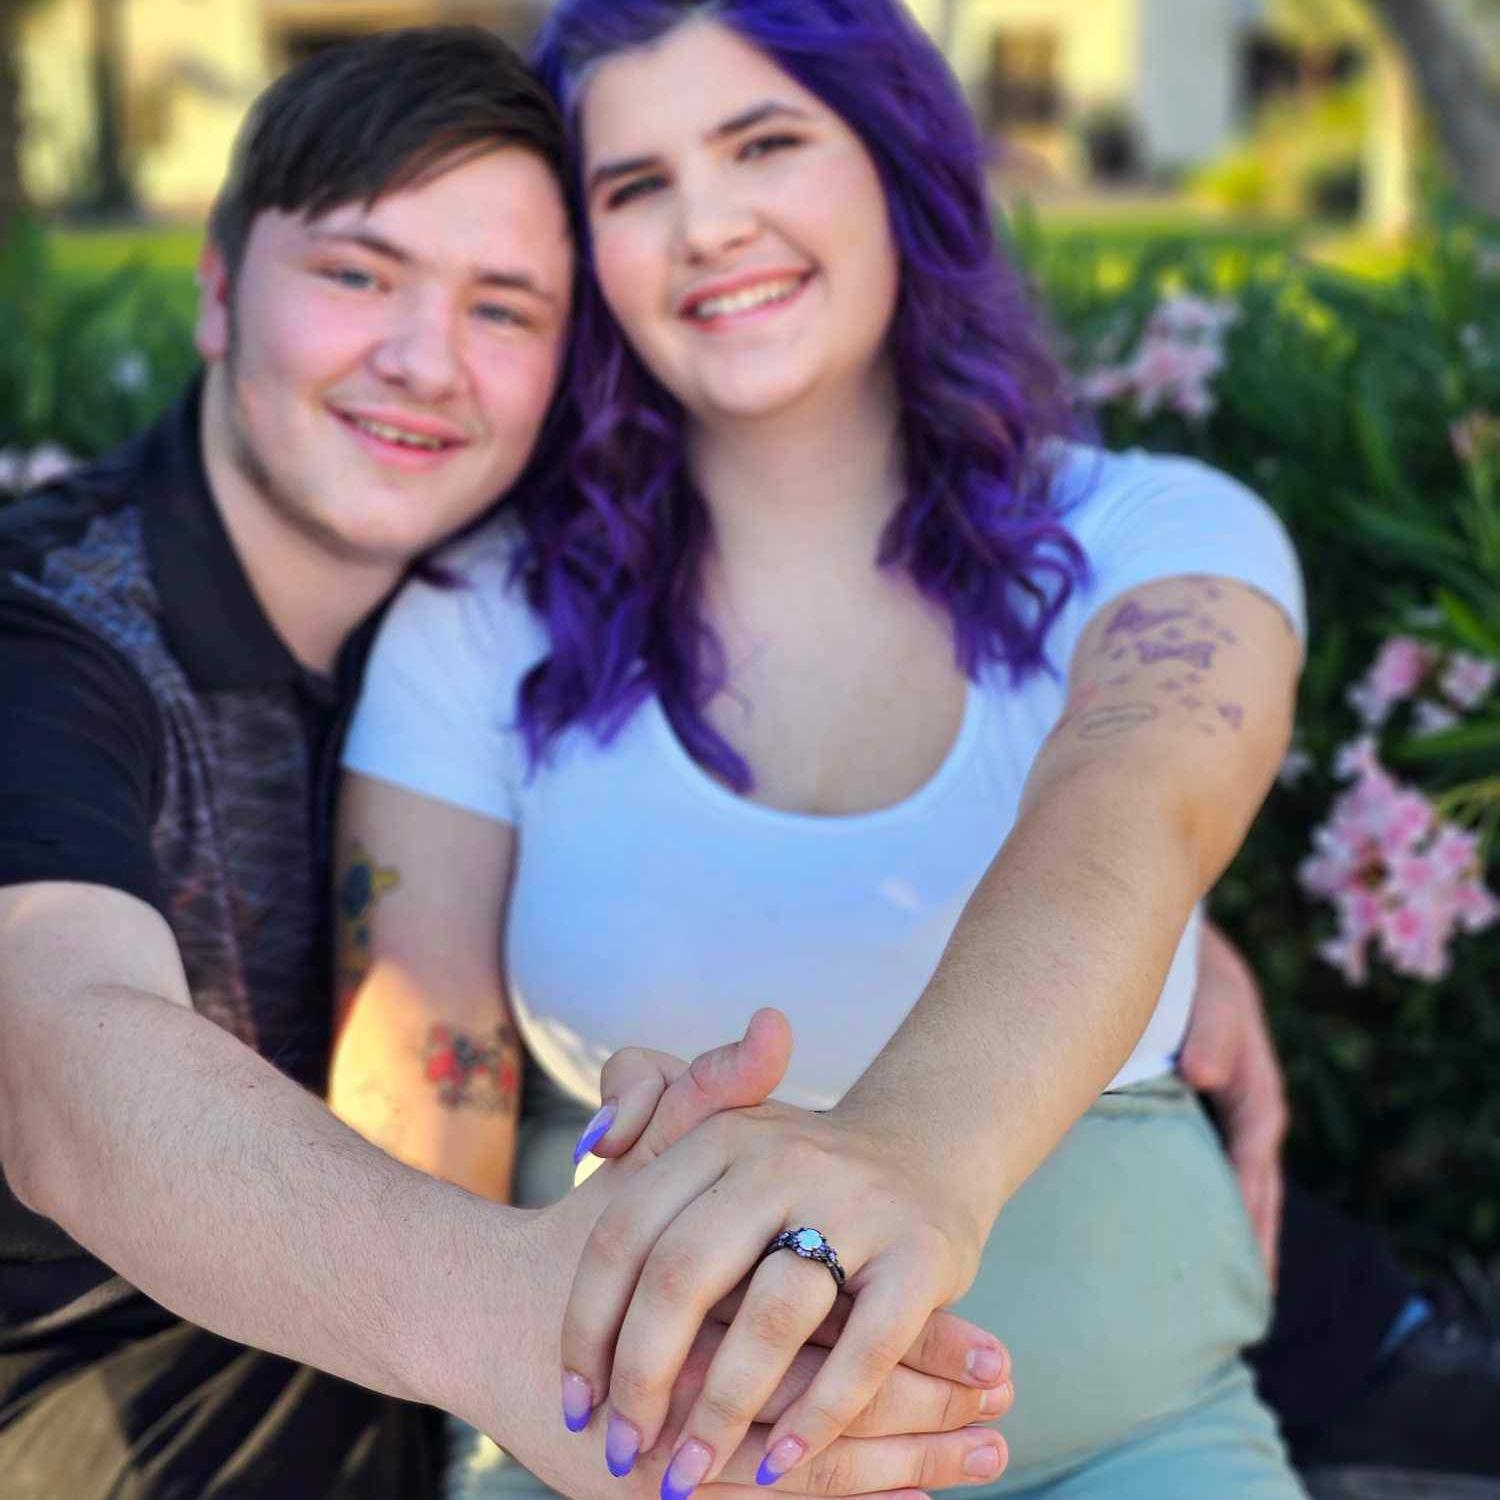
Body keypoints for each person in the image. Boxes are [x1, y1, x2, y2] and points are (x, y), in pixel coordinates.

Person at [0, 28, 1017, 1500]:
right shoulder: (47, 641)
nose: (424, 361)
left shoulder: (509, 627)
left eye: (503, 306)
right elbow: (67, 1059)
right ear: (219, 292)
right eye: (357, 275)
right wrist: (520, 1322)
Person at [337, 1, 1310, 1496]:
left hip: (1132, 1449)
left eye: (765, 144)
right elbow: (414, 1128)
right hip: (626, 1463)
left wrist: (908, 1159)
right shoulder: (478, 621)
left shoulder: (1161, 535)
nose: (708, 226)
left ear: (894, 160)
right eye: (635, 185)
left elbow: (1136, 809)